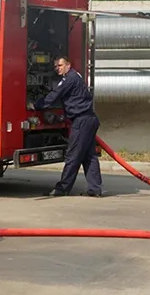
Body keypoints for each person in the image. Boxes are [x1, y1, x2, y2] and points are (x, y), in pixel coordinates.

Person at [27, 55, 103, 197]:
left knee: (73, 156)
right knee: (89, 156)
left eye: (60, 65)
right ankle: (95, 189)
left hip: (81, 121)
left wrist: (36, 105)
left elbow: (56, 94)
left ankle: (62, 189)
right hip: (89, 119)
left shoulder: (70, 78)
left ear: (68, 65)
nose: (57, 68)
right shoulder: (76, 76)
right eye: (55, 66)